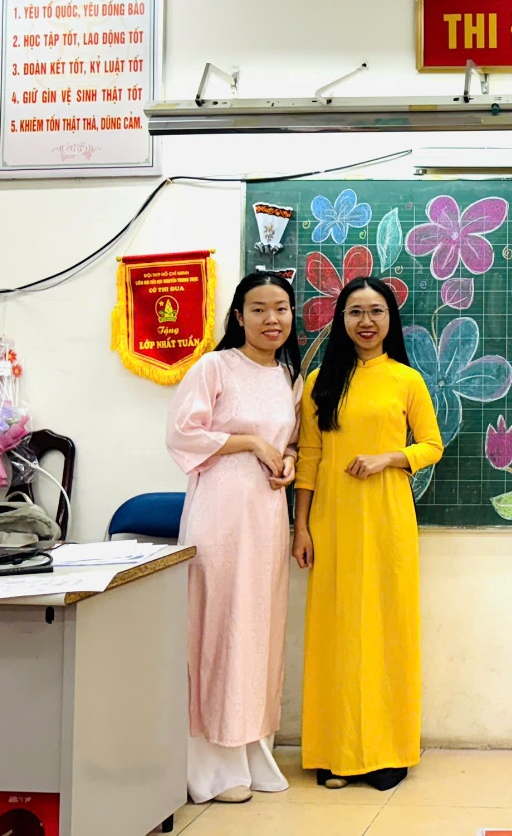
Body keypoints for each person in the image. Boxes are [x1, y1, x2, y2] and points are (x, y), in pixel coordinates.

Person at [292, 276, 443, 791]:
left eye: (376, 311)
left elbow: (431, 445)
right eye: (355, 311)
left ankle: (386, 752)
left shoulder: (406, 380)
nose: (366, 321)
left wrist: (390, 458)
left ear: (389, 320)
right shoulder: (318, 381)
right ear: (341, 319)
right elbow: (309, 457)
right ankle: (335, 752)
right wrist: (301, 527)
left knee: (386, 630)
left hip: (387, 518)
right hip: (332, 520)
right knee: (336, 633)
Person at [165, 272, 302, 805]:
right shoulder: (214, 366)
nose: (273, 319)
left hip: (266, 515)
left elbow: (285, 443)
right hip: (220, 513)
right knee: (218, 625)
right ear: (239, 316)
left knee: (258, 628)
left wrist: (285, 460)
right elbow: (182, 433)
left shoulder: (287, 375)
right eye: (260, 309)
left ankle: (250, 752)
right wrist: (248, 441)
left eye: (282, 308)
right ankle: (212, 766)